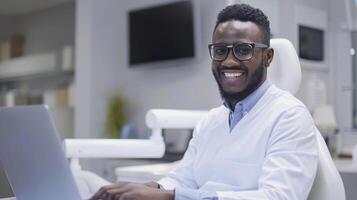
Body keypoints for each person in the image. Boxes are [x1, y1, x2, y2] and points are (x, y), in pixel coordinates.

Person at [91, 3, 318, 200]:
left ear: (267, 57)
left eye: (242, 50)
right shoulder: (211, 121)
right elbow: (184, 178)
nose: (229, 61)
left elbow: (278, 197)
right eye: (220, 50)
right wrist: (150, 189)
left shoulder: (289, 116)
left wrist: (170, 196)